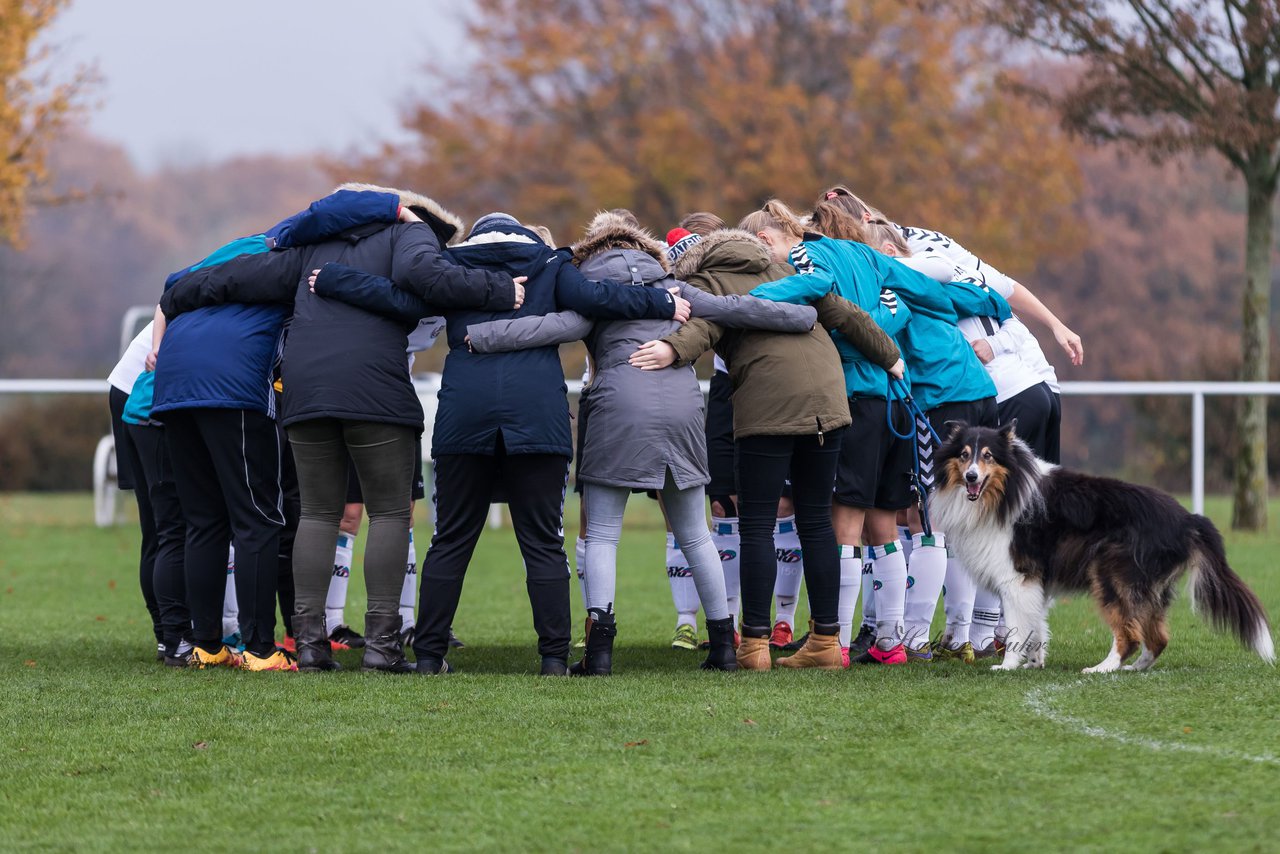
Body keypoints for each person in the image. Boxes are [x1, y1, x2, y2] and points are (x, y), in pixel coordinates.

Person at [160, 184, 519, 673]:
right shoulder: (409, 234)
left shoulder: (311, 247)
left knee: (317, 514)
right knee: (390, 513)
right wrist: (502, 290)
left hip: (305, 393)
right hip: (374, 389)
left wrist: (178, 292)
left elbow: (236, 277)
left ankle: (309, 644)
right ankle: (383, 647)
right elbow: (427, 277)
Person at [315, 212, 688, 675]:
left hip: (464, 414)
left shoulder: (450, 265)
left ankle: (429, 655)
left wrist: (334, 278)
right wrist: (660, 303)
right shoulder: (550, 262)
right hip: (537, 415)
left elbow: (397, 299)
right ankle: (553, 657)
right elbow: (595, 298)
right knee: (543, 543)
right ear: (526, 233)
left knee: (450, 540)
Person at [466, 210, 821, 674]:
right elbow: (739, 309)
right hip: (681, 404)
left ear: (593, 247)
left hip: (618, 405)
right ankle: (722, 646)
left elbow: (553, 329)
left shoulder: (587, 287)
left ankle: (600, 652)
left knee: (604, 535)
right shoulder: (670, 284)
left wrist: (477, 335)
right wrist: (803, 316)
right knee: (696, 533)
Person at [632, 218, 903, 670]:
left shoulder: (706, 280)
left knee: (756, 523)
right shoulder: (785, 270)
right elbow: (845, 314)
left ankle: (754, 644)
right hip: (827, 397)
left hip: (769, 400)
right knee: (816, 521)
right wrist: (889, 356)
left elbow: (707, 328)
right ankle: (825, 641)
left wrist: (672, 349)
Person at [744, 200, 999, 665]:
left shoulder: (812, 254)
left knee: (844, 524)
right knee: (887, 522)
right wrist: (989, 300)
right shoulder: (874, 260)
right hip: (895, 402)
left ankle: (833, 643)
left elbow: (821, 291)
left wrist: (755, 300)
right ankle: (893, 641)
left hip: (858, 399)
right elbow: (925, 295)